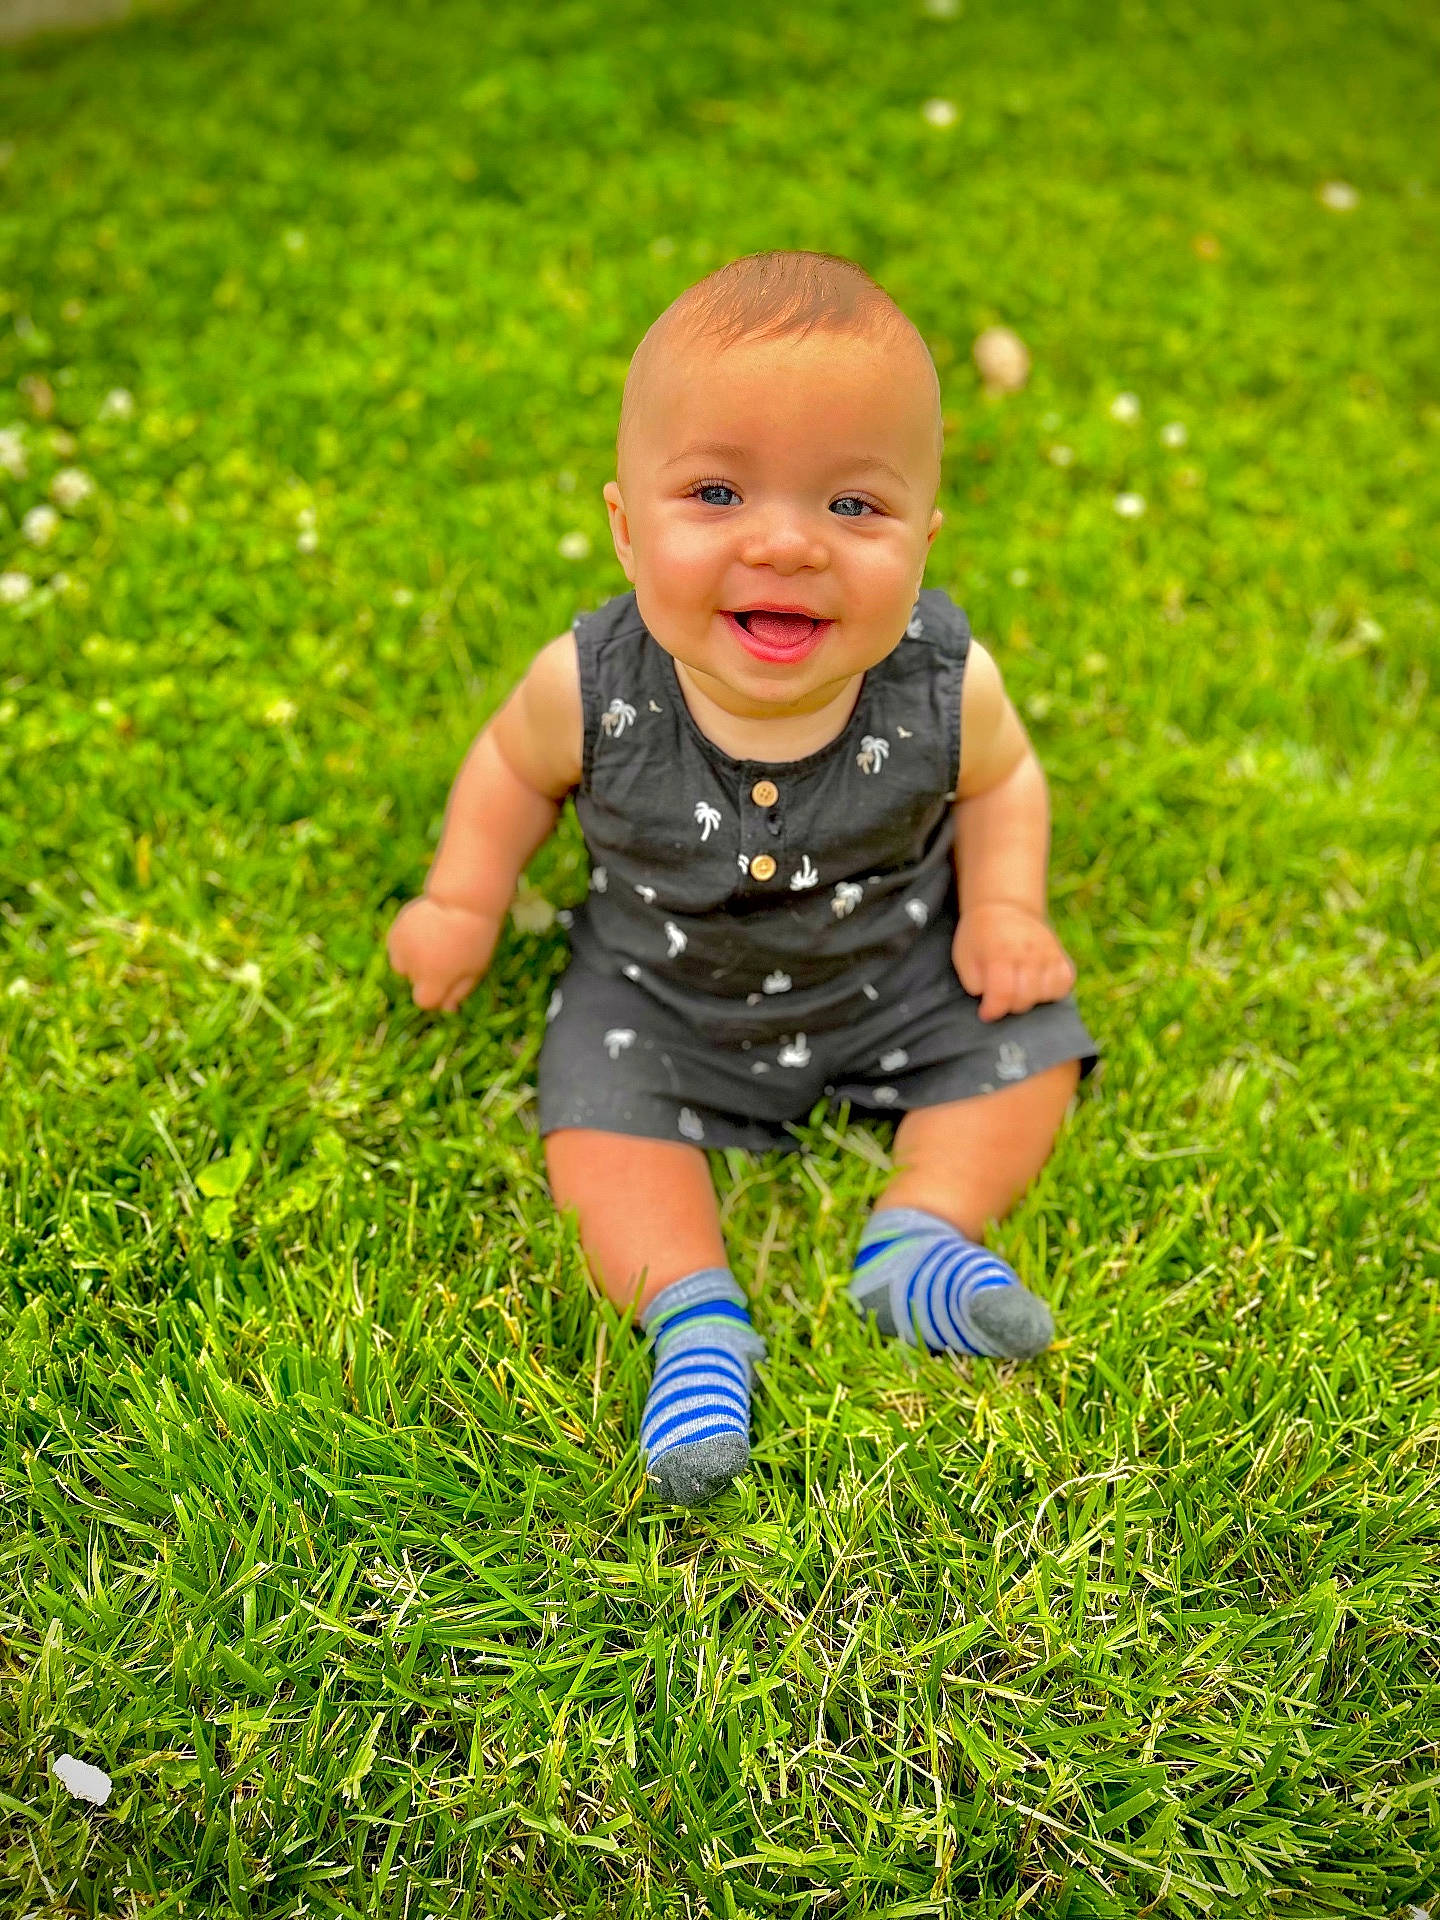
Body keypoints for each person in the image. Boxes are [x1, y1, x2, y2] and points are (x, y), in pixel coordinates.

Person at [387, 249, 1101, 1507]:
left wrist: (1003, 909)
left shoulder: (943, 682)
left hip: (896, 972)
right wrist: (462, 899)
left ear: (925, 541)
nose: (785, 544)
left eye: (854, 506)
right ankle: (694, 1320)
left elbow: (1004, 781)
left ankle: (924, 1237)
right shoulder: (590, 688)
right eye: (716, 492)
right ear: (626, 527)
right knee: (599, 1127)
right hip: (658, 997)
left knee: (1029, 1041)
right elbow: (509, 770)